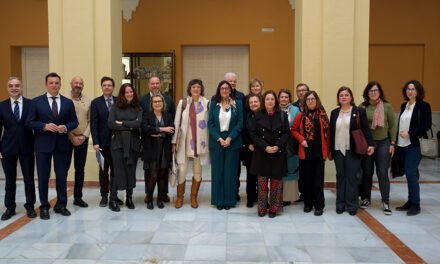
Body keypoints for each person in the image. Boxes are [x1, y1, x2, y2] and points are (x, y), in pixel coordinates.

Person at [26, 72, 79, 220]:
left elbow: (75, 122)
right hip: (43, 145)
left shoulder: (68, 102)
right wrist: (44, 126)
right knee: (43, 177)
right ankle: (44, 207)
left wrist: (66, 128)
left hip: (62, 145)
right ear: (46, 84)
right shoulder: (36, 102)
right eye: (51, 83)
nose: (54, 85)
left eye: (57, 83)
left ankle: (61, 204)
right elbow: (29, 122)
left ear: (60, 85)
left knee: (62, 177)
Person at [329, 86, 375, 216]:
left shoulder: (359, 111)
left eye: (346, 95)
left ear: (351, 97)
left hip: (353, 149)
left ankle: (352, 205)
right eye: (341, 95)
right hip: (338, 150)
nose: (343, 97)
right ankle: (340, 204)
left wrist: (371, 144)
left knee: (352, 178)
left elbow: (366, 129)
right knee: (340, 176)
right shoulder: (334, 113)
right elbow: (331, 133)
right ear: (338, 98)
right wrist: (330, 150)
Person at [0, 77, 36, 220]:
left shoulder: (31, 104)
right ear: (7, 88)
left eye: (17, 85)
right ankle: (10, 207)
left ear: (21, 87)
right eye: (11, 86)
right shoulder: (1, 106)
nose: (14, 88)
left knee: (29, 179)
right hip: (7, 148)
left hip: (27, 147)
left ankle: (30, 206)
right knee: (10, 180)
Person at [358, 81, 397, 215]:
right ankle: (366, 198)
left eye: (376, 90)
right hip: (368, 144)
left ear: (380, 92)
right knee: (367, 173)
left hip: (383, 143)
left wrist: (392, 144)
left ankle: (385, 201)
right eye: (371, 91)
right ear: (367, 93)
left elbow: (392, 126)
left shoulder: (387, 107)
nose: (373, 93)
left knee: (382, 173)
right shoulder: (362, 107)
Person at [249, 91, 290, 218]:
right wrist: (265, 146)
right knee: (262, 183)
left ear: (275, 101)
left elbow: (286, 134)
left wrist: (277, 146)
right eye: (267, 99)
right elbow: (253, 135)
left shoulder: (282, 115)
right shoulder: (257, 115)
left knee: (276, 184)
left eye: (272, 99)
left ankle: (274, 208)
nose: (270, 101)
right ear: (264, 101)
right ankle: (261, 207)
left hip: (277, 152)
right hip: (262, 153)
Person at [172, 79, 210, 209]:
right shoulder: (183, 103)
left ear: (201, 89)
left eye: (198, 87)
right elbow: (177, 123)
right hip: (184, 142)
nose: (196, 89)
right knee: (182, 170)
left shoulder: (207, 103)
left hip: (200, 143)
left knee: (197, 171)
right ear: (190, 88)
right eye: (193, 86)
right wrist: (173, 142)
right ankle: (180, 197)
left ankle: (193, 197)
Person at [395, 80, 432, 216]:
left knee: (411, 173)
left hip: (414, 144)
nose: (410, 91)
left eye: (413, 89)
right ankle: (410, 201)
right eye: (408, 89)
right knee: (410, 174)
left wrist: (410, 133)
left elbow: (426, 125)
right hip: (402, 144)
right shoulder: (404, 105)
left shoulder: (423, 106)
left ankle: (416, 204)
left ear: (418, 91)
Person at [291, 91, 330, 216]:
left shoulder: (323, 115)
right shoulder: (301, 115)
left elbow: (328, 133)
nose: (311, 101)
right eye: (308, 99)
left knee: (318, 180)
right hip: (305, 153)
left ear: (317, 100)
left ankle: (319, 205)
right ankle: (308, 203)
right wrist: (301, 139)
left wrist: (328, 150)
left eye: (313, 99)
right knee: (306, 180)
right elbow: (293, 130)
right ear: (305, 102)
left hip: (319, 153)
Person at [208, 80, 243, 210]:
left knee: (230, 173)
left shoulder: (237, 104)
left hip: (232, 142)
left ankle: (229, 200)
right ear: (219, 90)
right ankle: (218, 200)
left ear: (230, 90)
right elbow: (210, 124)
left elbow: (240, 123)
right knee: (218, 172)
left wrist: (230, 138)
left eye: (226, 88)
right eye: (222, 88)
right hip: (217, 142)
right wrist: (218, 138)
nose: (224, 90)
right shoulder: (214, 104)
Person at [140, 76, 175, 203]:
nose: (155, 85)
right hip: (149, 142)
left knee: (163, 171)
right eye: (152, 83)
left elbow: (172, 123)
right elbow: (143, 124)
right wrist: (159, 130)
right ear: (149, 85)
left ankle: (162, 194)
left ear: (160, 84)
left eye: (157, 83)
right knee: (150, 173)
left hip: (164, 144)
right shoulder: (142, 99)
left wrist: (164, 133)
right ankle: (148, 195)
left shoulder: (169, 99)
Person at [108, 83, 142, 212]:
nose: (129, 94)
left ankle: (129, 198)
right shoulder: (115, 107)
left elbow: (138, 124)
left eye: (131, 92)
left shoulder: (137, 107)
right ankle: (113, 199)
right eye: (126, 92)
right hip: (118, 144)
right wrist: (130, 126)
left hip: (133, 144)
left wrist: (122, 123)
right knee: (117, 171)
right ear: (122, 94)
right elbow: (111, 124)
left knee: (130, 171)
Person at [91, 76, 123, 207]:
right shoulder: (96, 102)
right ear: (101, 87)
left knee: (116, 170)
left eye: (109, 85)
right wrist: (95, 142)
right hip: (102, 143)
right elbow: (94, 123)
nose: (107, 87)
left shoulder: (119, 101)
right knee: (103, 170)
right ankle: (104, 196)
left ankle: (114, 196)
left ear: (113, 87)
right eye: (104, 85)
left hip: (117, 142)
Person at [67, 76, 91, 208]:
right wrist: (71, 136)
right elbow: (62, 121)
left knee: (80, 169)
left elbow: (90, 121)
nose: (78, 85)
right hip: (66, 139)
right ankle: (62, 198)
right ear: (71, 84)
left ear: (83, 85)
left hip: (82, 139)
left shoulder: (88, 100)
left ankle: (78, 197)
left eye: (80, 83)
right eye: (75, 82)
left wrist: (84, 136)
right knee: (63, 169)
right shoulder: (64, 99)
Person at [224, 72, 246, 202]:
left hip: (236, 137)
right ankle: (225, 191)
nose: (232, 83)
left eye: (234, 81)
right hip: (221, 138)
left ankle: (235, 191)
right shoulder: (218, 96)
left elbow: (242, 119)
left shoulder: (241, 97)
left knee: (235, 168)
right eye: (230, 81)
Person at [243, 78, 264, 208]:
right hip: (249, 149)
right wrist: (249, 144)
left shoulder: (264, 113)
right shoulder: (247, 115)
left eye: (256, 102)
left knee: (261, 176)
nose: (253, 104)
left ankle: (262, 198)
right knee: (250, 175)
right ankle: (250, 198)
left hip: (262, 149)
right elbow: (244, 131)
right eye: (251, 102)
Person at [278, 89, 300, 206]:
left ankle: (290, 197)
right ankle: (279, 197)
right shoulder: (275, 109)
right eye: (281, 97)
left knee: (292, 169)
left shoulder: (296, 110)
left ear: (290, 98)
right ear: (279, 98)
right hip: (278, 144)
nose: (284, 99)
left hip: (292, 144)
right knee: (279, 170)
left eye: (286, 97)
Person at [292, 83, 310, 203]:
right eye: (299, 90)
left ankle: (309, 194)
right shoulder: (293, 107)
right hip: (297, 142)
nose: (301, 92)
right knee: (300, 170)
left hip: (312, 143)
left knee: (310, 171)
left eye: (303, 90)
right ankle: (302, 193)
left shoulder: (315, 104)